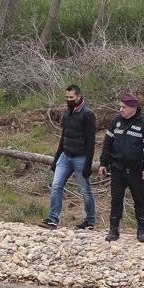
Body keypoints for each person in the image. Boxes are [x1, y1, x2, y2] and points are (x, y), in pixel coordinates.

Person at [98, 93, 144, 243]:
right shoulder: (116, 121)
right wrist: (103, 163)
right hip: (117, 168)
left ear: (133, 108)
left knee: (139, 200)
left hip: (136, 170)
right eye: (120, 106)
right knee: (116, 200)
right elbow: (107, 144)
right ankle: (113, 230)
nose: (121, 109)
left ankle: (141, 230)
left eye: (124, 107)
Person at [41, 85, 97, 230]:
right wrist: (56, 158)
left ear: (79, 96)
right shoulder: (67, 113)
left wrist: (88, 164)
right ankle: (53, 219)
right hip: (65, 156)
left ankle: (90, 221)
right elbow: (63, 137)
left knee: (85, 190)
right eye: (67, 97)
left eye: (71, 97)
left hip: (81, 157)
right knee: (56, 186)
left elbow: (91, 141)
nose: (68, 100)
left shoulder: (88, 114)